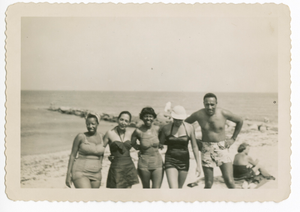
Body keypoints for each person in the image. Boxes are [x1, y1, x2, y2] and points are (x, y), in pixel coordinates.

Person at [185, 93, 243, 189]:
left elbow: (240, 121)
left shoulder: (223, 113)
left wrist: (233, 139)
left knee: (229, 181)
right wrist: (194, 140)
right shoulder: (198, 114)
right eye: (207, 104)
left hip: (222, 148)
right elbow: (184, 124)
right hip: (206, 149)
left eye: (212, 104)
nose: (210, 107)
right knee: (208, 183)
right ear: (203, 103)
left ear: (216, 103)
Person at [160, 105, 201, 189]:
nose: (178, 122)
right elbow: (159, 144)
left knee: (179, 189)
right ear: (172, 118)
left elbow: (194, 147)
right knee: (173, 189)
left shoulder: (189, 128)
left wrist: (198, 165)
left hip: (184, 161)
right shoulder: (166, 128)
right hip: (170, 160)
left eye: (180, 120)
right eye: (176, 120)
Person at [65, 113, 104, 188]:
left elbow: (101, 154)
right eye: (88, 124)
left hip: (97, 174)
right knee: (86, 196)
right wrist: (68, 175)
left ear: (98, 123)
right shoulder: (80, 136)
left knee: (93, 198)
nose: (90, 126)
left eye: (93, 124)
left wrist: (100, 166)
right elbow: (72, 156)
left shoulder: (102, 137)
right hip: (80, 172)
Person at [103, 111, 139, 188]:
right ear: (117, 120)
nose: (123, 122)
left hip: (129, 167)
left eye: (126, 121)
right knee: (116, 194)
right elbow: (100, 149)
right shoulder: (110, 133)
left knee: (128, 195)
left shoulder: (129, 133)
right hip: (116, 167)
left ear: (129, 123)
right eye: (121, 119)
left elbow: (137, 146)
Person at [131, 107, 164, 188]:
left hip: (158, 163)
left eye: (150, 116)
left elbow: (163, 138)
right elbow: (132, 143)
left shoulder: (157, 129)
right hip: (144, 164)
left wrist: (160, 144)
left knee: (156, 190)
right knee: (146, 189)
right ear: (142, 117)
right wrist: (140, 148)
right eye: (146, 116)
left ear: (154, 117)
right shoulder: (138, 131)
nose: (148, 118)